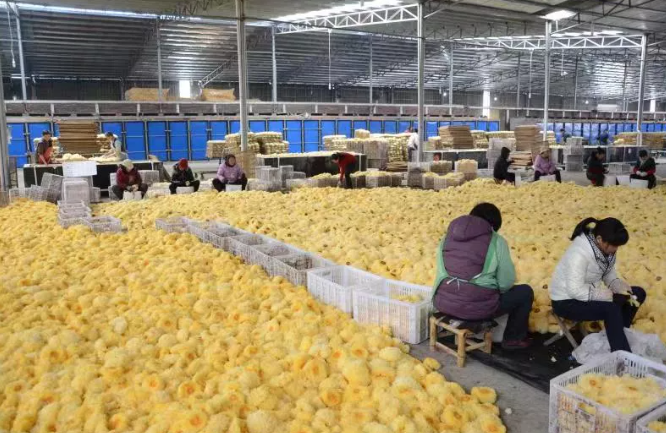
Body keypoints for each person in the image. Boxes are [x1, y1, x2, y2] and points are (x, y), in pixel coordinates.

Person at [433, 203, 534, 349]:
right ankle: (513, 339)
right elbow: (506, 282)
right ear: (493, 225)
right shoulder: (496, 241)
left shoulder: (447, 238)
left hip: (442, 303)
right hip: (477, 308)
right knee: (525, 292)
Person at [550, 218, 646, 353]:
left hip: (587, 293)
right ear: (600, 239)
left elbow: (608, 274)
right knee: (611, 309)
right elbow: (575, 290)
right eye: (614, 245)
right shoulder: (579, 254)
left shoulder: (606, 249)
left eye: (618, 245)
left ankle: (616, 334)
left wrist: (618, 286)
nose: (615, 249)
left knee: (637, 293)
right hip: (566, 301)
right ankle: (621, 356)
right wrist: (608, 296)